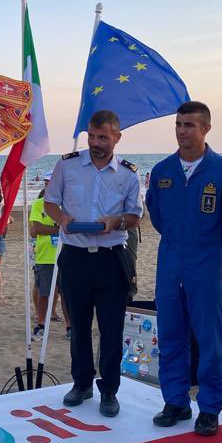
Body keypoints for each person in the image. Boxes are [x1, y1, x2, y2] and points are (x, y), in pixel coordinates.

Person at [145, 101, 222, 436]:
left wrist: (211, 250)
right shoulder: (162, 171)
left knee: (209, 338)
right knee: (171, 335)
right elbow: (158, 217)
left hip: (208, 263)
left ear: (205, 129)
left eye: (189, 125)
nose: (182, 130)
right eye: (178, 124)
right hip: (170, 263)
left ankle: (209, 408)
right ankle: (175, 401)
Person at [44, 109, 142, 417]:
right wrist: (61, 218)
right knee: (79, 327)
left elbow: (135, 215)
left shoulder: (128, 173)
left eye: (103, 137)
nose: (96, 143)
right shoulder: (67, 165)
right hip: (75, 257)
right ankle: (81, 383)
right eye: (92, 136)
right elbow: (50, 201)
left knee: (111, 330)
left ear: (117, 137)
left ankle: (109, 391)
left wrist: (116, 222)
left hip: (112, 258)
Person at [28, 175, 70, 339]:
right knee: (44, 293)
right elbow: (37, 228)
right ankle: (41, 325)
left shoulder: (67, 204)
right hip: (45, 256)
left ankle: (69, 326)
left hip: (66, 254)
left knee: (66, 294)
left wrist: (63, 227)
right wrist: (60, 229)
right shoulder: (39, 204)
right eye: (46, 184)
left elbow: (72, 226)